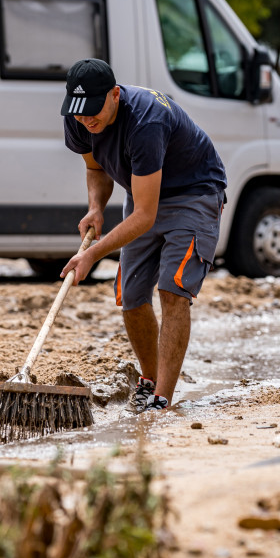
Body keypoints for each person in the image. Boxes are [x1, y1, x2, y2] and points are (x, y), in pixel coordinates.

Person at [59, 58, 226, 413]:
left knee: (172, 289)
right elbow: (96, 168)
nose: (86, 120)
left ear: (115, 95)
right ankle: (148, 380)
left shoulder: (146, 122)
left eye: (93, 111)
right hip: (143, 194)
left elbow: (145, 216)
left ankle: (161, 400)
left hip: (193, 193)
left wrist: (92, 254)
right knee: (131, 294)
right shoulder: (79, 118)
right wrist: (95, 207)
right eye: (78, 112)